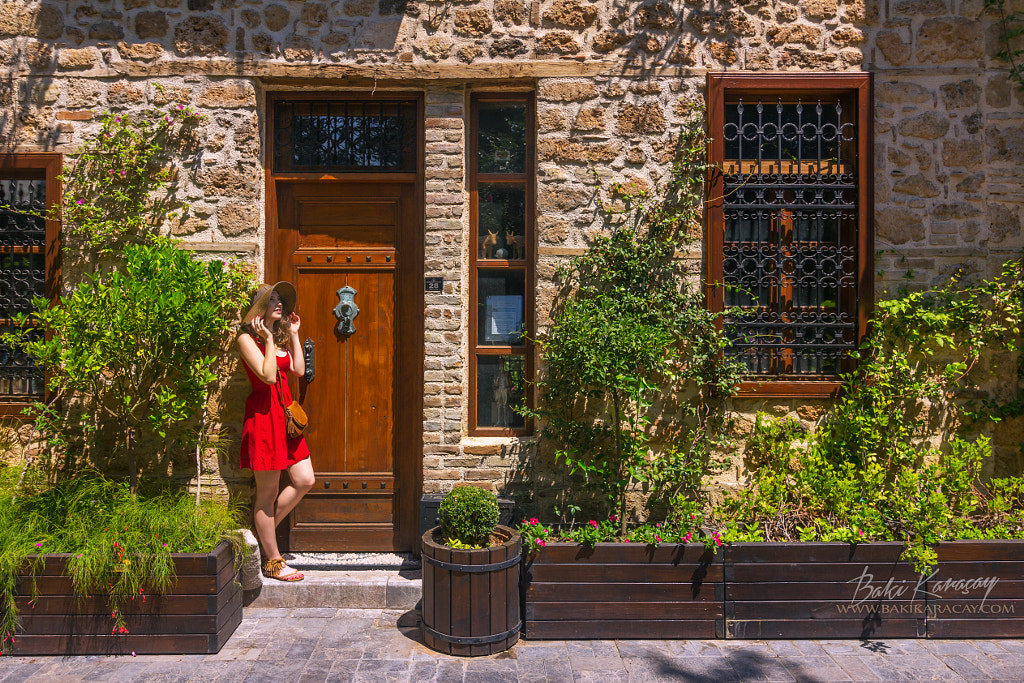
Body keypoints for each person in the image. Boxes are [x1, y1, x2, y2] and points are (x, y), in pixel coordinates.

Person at [237, 281, 315, 582]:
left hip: (285, 419)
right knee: (267, 494)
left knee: (305, 479)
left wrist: (292, 335)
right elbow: (269, 376)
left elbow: (296, 370)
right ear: (259, 308)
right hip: (263, 418)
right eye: (273, 300)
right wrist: (268, 339)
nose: (280, 304)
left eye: (281, 300)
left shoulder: (280, 336)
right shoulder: (247, 340)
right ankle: (273, 561)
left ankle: (259, 535)